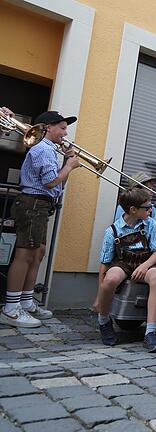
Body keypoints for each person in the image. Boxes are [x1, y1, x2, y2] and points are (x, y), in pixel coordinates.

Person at [1, 110, 80, 328]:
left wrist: (66, 162)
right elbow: (51, 183)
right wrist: (70, 166)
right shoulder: (43, 149)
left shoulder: (49, 150)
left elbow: (56, 187)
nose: (65, 133)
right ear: (47, 128)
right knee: (25, 255)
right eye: (62, 128)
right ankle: (11, 308)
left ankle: (26, 301)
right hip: (33, 203)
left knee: (38, 254)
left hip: (41, 205)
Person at [94, 187, 156, 352]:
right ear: (133, 210)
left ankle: (150, 331)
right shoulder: (112, 231)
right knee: (110, 280)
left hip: (145, 262)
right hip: (123, 264)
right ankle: (104, 321)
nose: (151, 209)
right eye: (147, 207)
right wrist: (99, 295)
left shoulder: (150, 223)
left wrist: (145, 265)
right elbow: (104, 263)